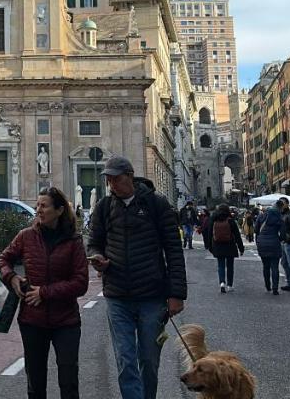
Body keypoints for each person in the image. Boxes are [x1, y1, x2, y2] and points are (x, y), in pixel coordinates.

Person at [85, 157, 186, 399]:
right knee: (125, 359)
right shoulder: (104, 207)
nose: (111, 185)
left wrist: (177, 294)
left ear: (130, 176)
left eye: (115, 179)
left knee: (149, 361)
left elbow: (173, 250)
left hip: (152, 297)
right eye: (108, 180)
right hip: (118, 296)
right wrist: (97, 257)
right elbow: (94, 243)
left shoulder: (157, 205)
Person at [0, 187, 88, 399]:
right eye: (37, 205)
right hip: (32, 319)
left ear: (59, 210)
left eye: (44, 206)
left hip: (66, 321)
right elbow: (4, 259)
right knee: (35, 383)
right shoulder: (26, 236)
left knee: (69, 381)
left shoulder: (74, 242)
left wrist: (45, 293)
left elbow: (81, 283)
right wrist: (12, 277)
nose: (38, 210)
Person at [205, 204, 245, 293]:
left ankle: (222, 282)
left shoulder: (214, 220)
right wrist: (241, 248)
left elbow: (210, 234)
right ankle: (230, 285)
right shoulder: (230, 221)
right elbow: (237, 236)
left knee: (221, 265)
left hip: (218, 245)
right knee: (230, 266)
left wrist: (209, 246)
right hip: (230, 245)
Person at [254, 202, 283, 295]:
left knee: (265, 266)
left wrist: (258, 242)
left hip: (262, 244)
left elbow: (256, 230)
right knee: (275, 267)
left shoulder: (261, 216)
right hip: (274, 243)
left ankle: (267, 286)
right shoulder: (278, 217)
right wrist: (279, 239)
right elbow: (283, 232)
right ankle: (275, 288)